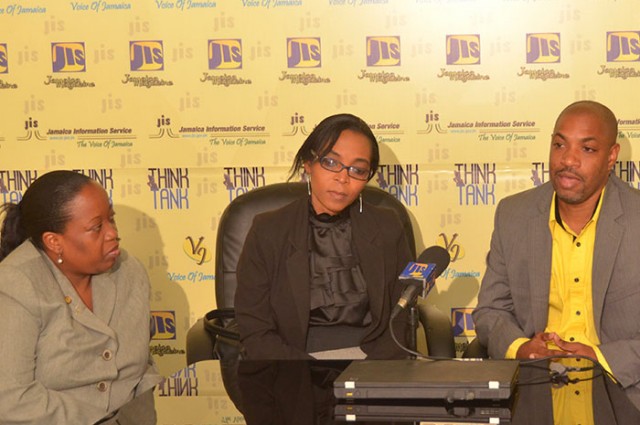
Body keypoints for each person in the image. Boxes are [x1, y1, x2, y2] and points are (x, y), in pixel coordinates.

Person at [473, 101, 640, 421]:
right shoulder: (514, 215)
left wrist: (598, 355)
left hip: (623, 387)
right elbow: (490, 311)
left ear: (611, 156)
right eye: (559, 144)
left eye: (587, 149)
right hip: (535, 386)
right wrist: (522, 347)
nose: (568, 160)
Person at [235, 113, 413, 360]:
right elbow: (255, 328)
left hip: (371, 364)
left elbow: (400, 317)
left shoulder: (386, 226)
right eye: (331, 162)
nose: (343, 178)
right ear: (308, 164)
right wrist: (308, 373)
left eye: (358, 169)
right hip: (293, 363)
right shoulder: (268, 230)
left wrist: (372, 375)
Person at [0, 170, 161, 424]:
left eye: (111, 219)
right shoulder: (16, 285)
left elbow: (142, 372)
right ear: (54, 242)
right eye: (97, 227)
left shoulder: (128, 270)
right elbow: (11, 399)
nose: (113, 234)